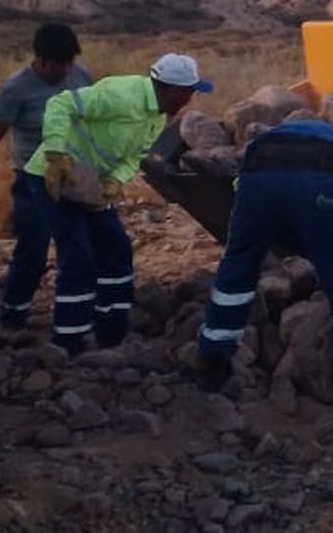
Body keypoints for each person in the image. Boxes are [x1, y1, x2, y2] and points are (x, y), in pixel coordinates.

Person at [24, 53, 213, 355]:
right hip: (54, 179)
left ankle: (110, 331)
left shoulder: (157, 116)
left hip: (90, 185)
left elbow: (133, 156)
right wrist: (56, 153)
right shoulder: (121, 95)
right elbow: (60, 104)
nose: (190, 100)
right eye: (189, 92)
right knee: (78, 259)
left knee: (117, 250)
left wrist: (116, 181)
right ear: (171, 89)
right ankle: (68, 343)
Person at [195, 116, 333, 404]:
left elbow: (250, 203)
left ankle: (212, 362)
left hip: (258, 178)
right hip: (323, 178)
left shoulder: (271, 140)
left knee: (237, 267)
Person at [0, 22, 92, 333]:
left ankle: (75, 316)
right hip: (34, 179)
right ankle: (12, 315)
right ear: (41, 60)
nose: (66, 69)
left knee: (79, 247)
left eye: (70, 61)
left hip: (76, 175)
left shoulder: (80, 75)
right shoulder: (16, 89)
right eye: (59, 63)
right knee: (32, 249)